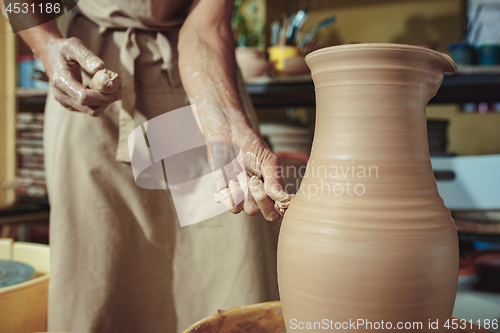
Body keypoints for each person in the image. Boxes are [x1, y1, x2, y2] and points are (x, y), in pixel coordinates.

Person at [1, 0, 290, 331]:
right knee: (98, 274)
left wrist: (225, 125)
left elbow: (206, 26)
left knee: (227, 267)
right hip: (89, 77)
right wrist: (46, 43)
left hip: (198, 86)